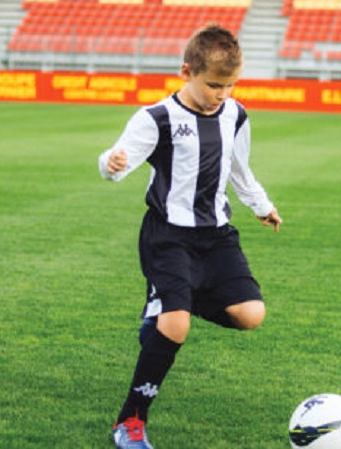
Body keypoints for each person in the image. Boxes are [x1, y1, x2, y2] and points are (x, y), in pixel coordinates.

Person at [98, 24, 282, 449]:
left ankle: (164, 311)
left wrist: (261, 205)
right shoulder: (156, 118)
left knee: (251, 315)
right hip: (168, 236)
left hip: (216, 235)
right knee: (176, 325)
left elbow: (240, 170)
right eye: (214, 85)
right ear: (187, 71)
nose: (222, 94)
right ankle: (130, 422)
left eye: (230, 85)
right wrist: (112, 163)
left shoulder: (236, 114)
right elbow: (115, 165)